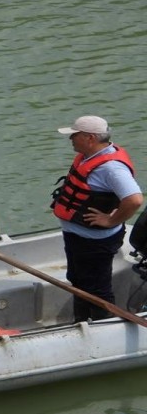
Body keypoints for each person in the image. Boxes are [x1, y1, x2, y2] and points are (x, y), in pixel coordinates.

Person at [52, 115, 143, 322]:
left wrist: (110, 220)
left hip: (94, 242)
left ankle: (102, 325)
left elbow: (134, 199)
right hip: (77, 237)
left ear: (90, 138)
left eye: (74, 135)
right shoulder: (89, 156)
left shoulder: (111, 168)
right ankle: (81, 322)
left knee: (97, 288)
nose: (71, 139)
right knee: (78, 280)